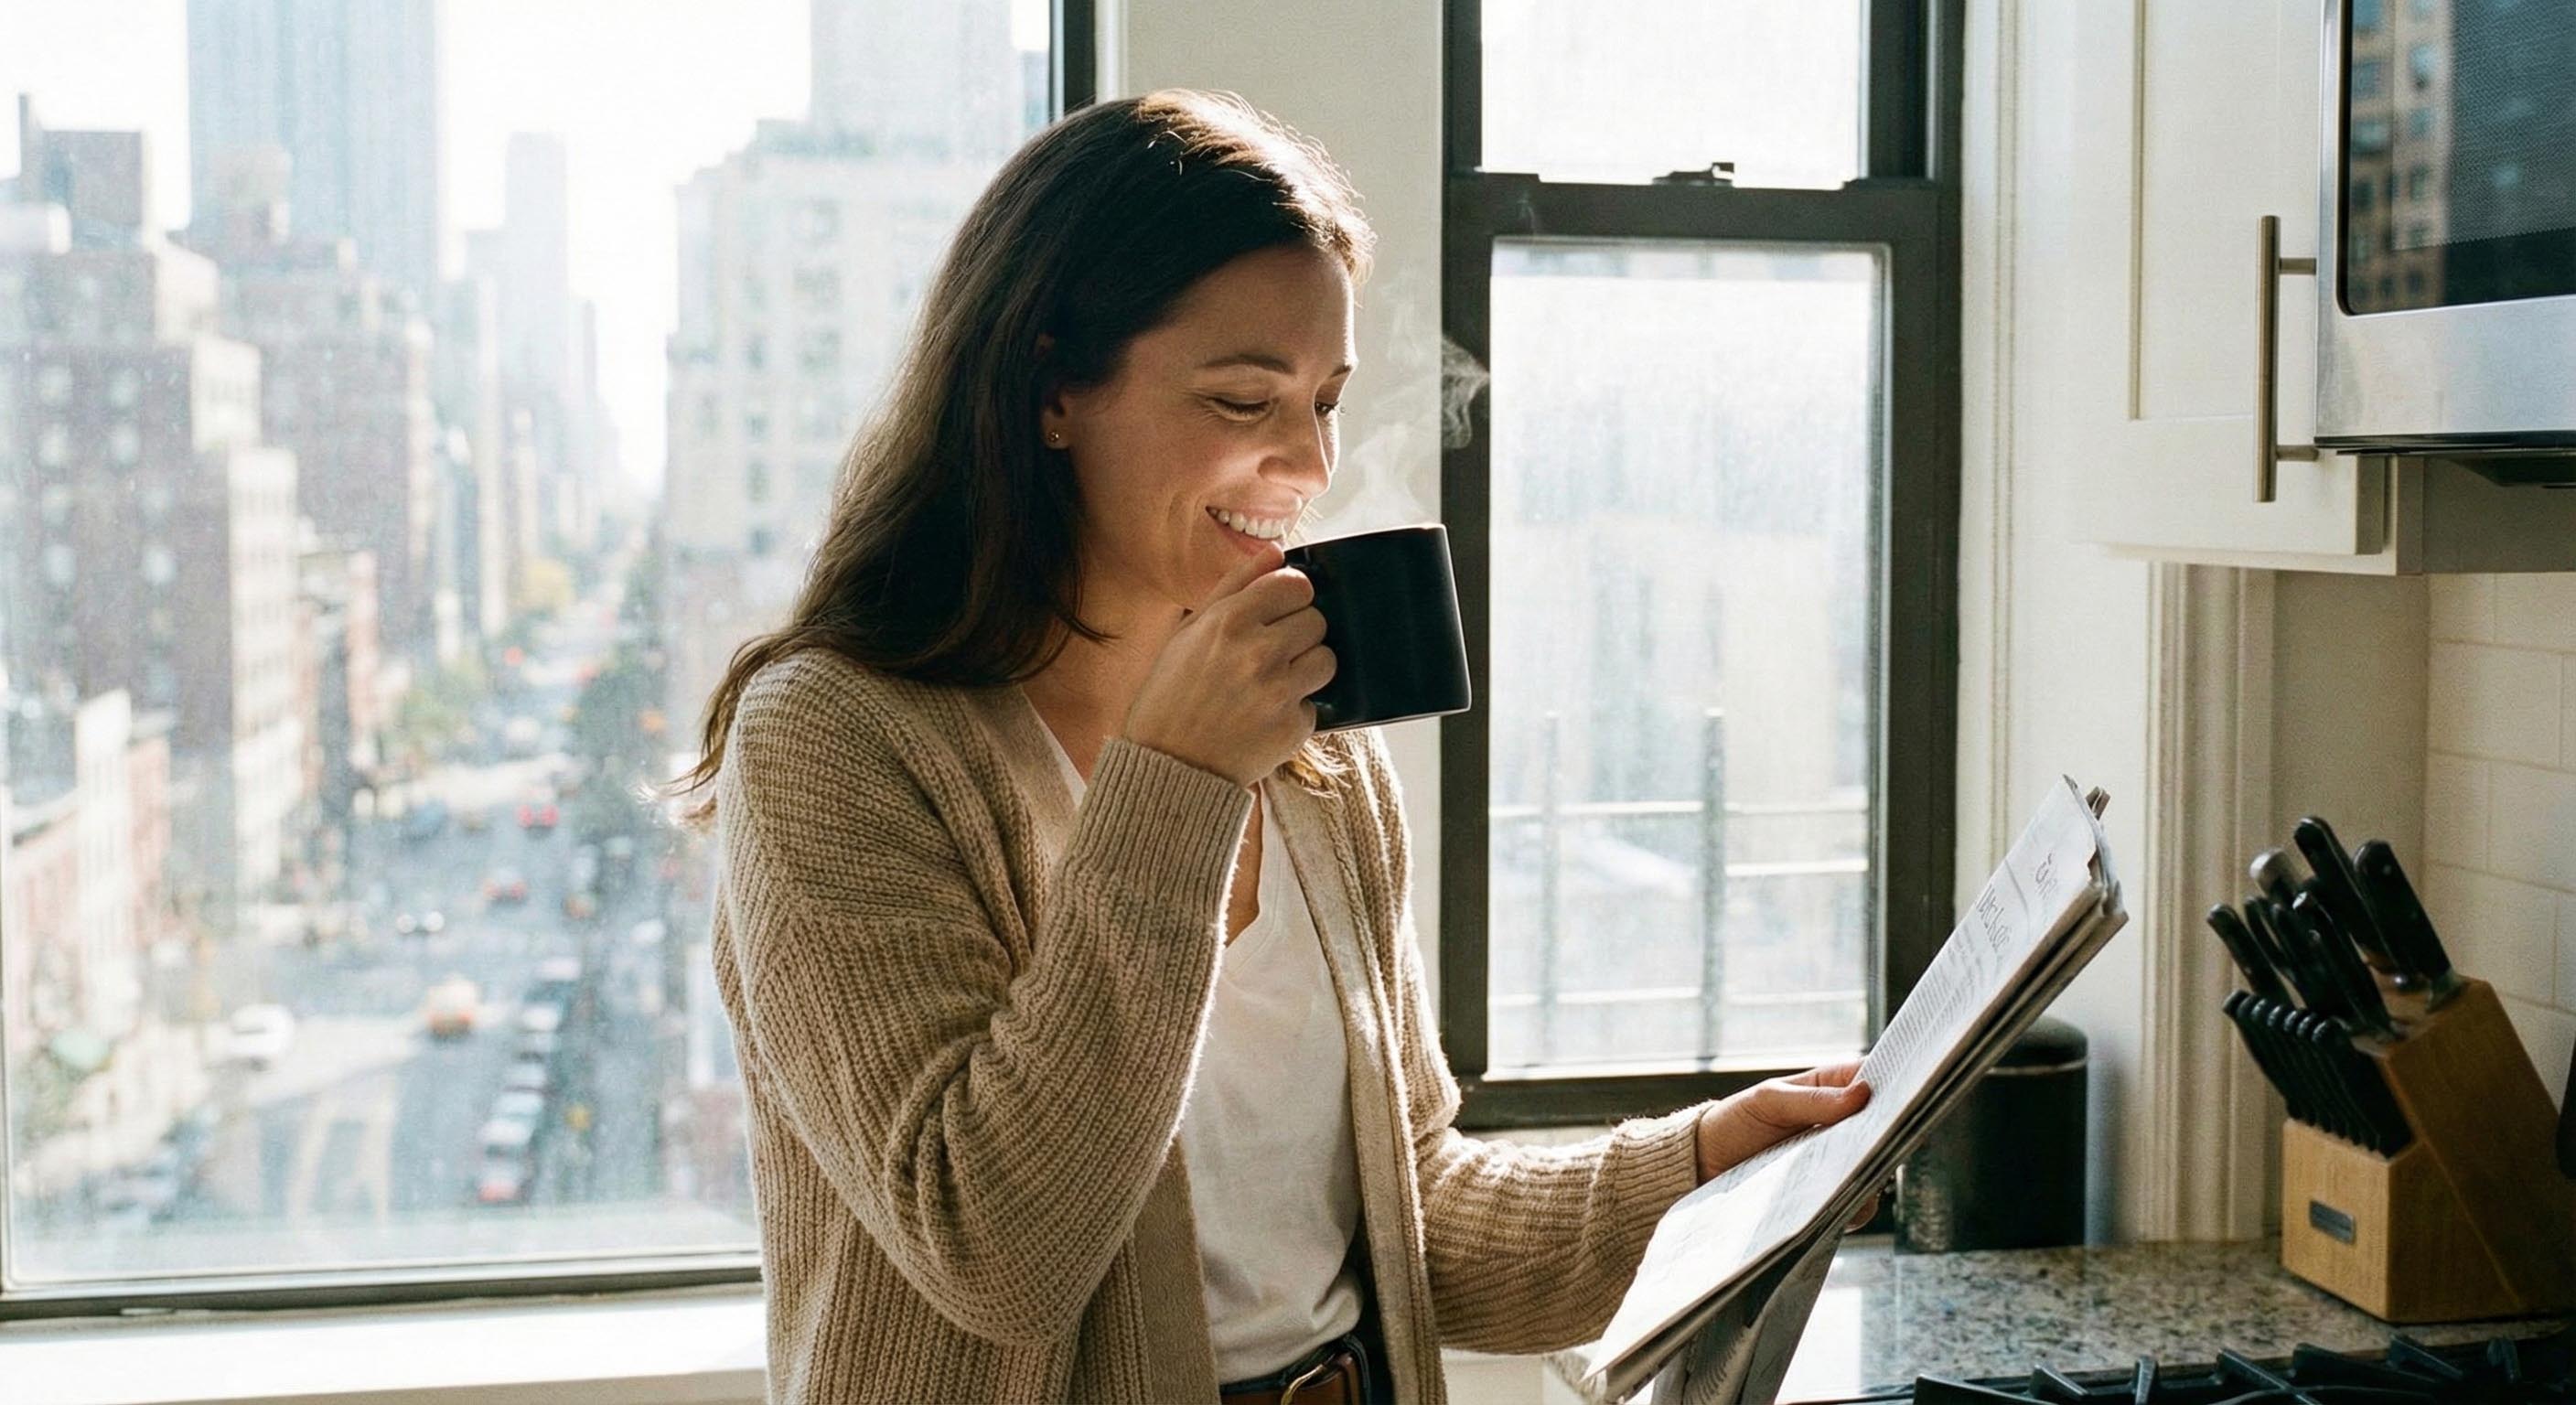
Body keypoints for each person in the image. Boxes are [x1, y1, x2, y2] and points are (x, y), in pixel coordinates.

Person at [671, 88, 1873, 1405]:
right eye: (1245, 399)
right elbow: (997, 1252)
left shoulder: (1317, 749)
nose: (1304, 464)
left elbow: (1422, 1223)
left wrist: (1707, 1161)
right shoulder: (837, 744)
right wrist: (1174, 788)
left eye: (1326, 402)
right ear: (1051, 386)